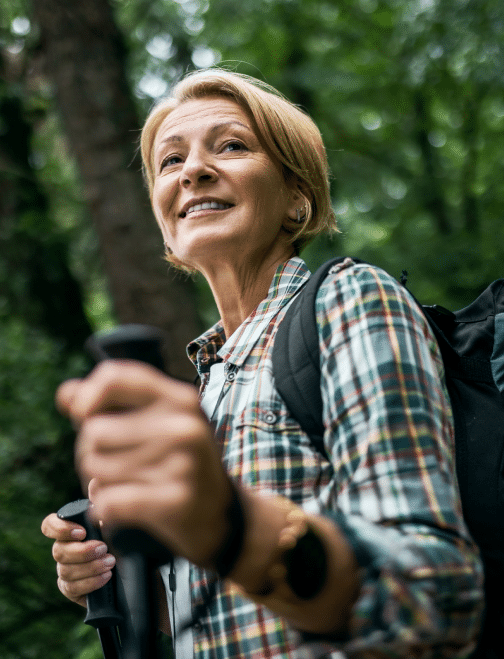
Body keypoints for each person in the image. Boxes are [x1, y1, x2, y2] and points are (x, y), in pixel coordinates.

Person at [41, 68, 484, 658]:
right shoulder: (203, 388)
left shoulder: (350, 302)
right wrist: (121, 580)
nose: (193, 170)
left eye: (231, 146)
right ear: (167, 232)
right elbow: (232, 624)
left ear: (297, 199)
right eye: (170, 162)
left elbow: (430, 598)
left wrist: (230, 526)